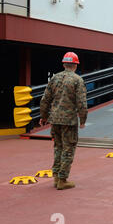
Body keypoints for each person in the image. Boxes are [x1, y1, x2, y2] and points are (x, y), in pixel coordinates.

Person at [39, 52, 88, 190]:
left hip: (54, 120)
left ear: (63, 64)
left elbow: (45, 100)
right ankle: (62, 180)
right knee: (68, 149)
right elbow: (82, 103)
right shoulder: (77, 80)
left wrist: (43, 116)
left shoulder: (54, 78)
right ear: (76, 65)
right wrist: (83, 120)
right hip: (69, 121)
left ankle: (56, 177)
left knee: (58, 147)